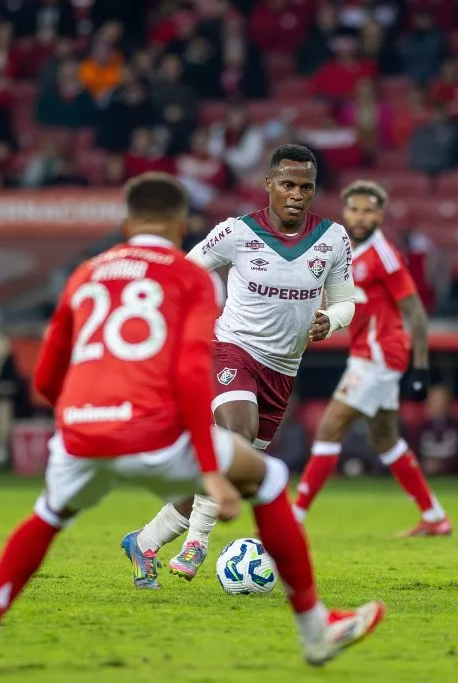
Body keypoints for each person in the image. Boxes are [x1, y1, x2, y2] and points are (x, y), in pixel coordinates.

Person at [0, 173, 382, 672]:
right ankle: (314, 631)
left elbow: (48, 374)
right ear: (182, 226)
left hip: (81, 428)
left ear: (125, 222)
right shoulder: (189, 278)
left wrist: (72, 422)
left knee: (48, 516)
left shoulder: (87, 271)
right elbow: (186, 374)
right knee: (267, 480)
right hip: (150, 427)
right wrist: (211, 471)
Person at [122, 145, 355, 587]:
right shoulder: (236, 232)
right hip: (232, 350)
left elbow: (346, 301)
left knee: (231, 468)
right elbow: (187, 272)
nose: (296, 194)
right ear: (268, 184)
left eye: (306, 187)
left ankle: (144, 542)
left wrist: (332, 320)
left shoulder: (333, 238)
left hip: (283, 369)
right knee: (237, 433)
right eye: (287, 184)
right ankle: (197, 545)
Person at [292, 180, 450, 535]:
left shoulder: (384, 254)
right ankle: (434, 516)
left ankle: (295, 515)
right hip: (369, 352)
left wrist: (422, 366)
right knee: (385, 440)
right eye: (354, 209)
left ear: (380, 214)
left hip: (379, 354)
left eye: (368, 210)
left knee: (330, 426)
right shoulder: (347, 252)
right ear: (345, 211)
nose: (360, 216)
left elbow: (417, 313)